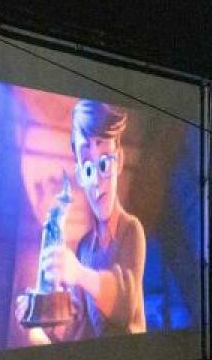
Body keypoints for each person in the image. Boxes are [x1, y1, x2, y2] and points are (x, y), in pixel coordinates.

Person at [26, 99, 147, 340]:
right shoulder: (83, 247)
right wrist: (38, 312)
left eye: (104, 163)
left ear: (119, 161)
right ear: (80, 175)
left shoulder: (130, 230)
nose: (97, 181)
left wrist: (79, 273)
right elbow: (75, 330)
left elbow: (124, 305)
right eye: (89, 169)